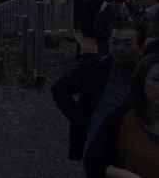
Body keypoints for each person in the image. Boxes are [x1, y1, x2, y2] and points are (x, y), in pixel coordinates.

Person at [51, 22, 144, 160]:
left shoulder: (148, 74)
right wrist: (80, 120)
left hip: (138, 144)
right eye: (114, 43)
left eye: (127, 44)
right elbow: (59, 89)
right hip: (99, 143)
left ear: (140, 47)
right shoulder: (93, 68)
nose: (120, 48)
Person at [83, 53, 159, 178]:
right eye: (156, 80)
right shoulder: (122, 118)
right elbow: (93, 163)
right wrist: (122, 174)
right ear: (142, 81)